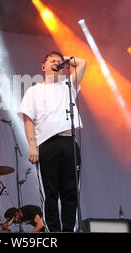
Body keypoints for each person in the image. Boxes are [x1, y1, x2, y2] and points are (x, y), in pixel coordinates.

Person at [17, 51, 87, 232]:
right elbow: (28, 120)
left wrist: (67, 61)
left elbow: (84, 63)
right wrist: (32, 145)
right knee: (50, 193)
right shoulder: (34, 90)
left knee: (70, 192)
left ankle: (69, 229)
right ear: (43, 66)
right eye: (52, 61)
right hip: (47, 145)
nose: (56, 63)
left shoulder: (68, 86)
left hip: (68, 142)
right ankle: (54, 232)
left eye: (59, 61)